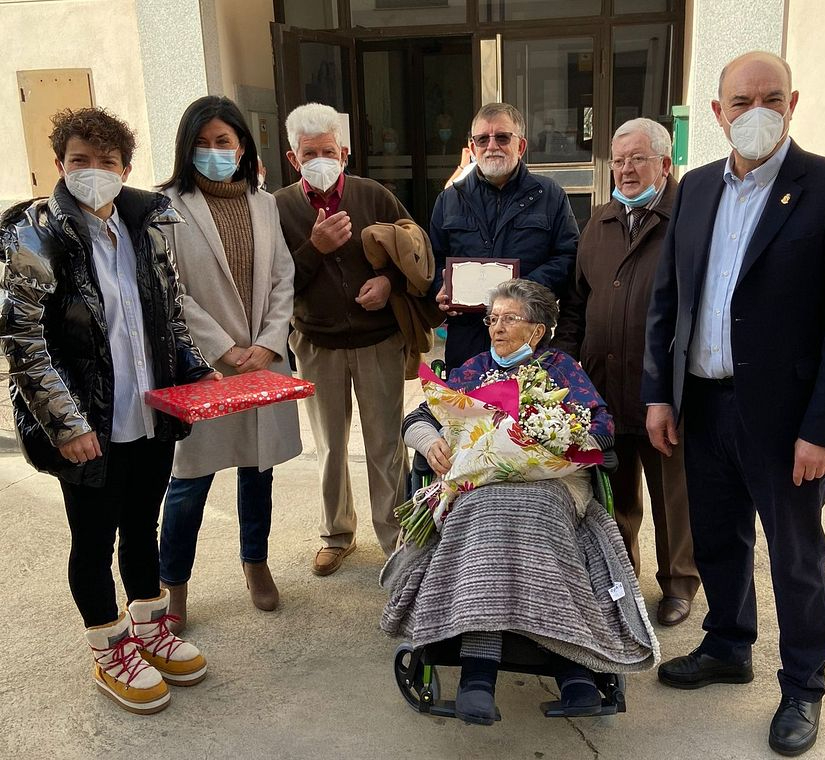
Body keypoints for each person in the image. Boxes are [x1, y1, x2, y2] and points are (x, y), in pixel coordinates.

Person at [642, 52, 825, 756]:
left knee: (796, 557)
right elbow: (669, 300)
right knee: (718, 539)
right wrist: (660, 392)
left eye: (770, 98)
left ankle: (803, 685)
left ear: (793, 102)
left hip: (787, 421)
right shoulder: (694, 192)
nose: (756, 113)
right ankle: (727, 645)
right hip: (705, 406)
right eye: (740, 102)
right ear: (717, 113)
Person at [0, 107, 217, 714]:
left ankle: (147, 627)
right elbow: (22, 338)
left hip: (149, 416)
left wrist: (196, 379)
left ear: (126, 169)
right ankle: (108, 647)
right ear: (59, 166)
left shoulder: (146, 228)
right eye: (79, 162)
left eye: (106, 163)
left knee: (141, 525)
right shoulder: (35, 236)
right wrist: (65, 423)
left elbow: (171, 319)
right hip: (88, 422)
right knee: (92, 539)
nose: (93, 173)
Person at [382, 279, 659, 726]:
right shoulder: (471, 369)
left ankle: (573, 672)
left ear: (537, 330)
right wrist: (430, 441)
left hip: (552, 484)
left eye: (510, 319)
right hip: (481, 484)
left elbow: (602, 423)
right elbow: (418, 415)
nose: (496, 327)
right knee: (479, 513)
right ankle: (479, 674)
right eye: (493, 318)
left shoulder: (562, 368)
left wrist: (563, 438)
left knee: (540, 516)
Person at [156, 96, 300, 630]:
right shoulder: (166, 207)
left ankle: (255, 562)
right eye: (203, 142)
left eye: (224, 141)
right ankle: (174, 584)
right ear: (185, 147)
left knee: (255, 469)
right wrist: (221, 349)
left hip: (262, 360)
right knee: (189, 479)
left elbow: (283, 276)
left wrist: (268, 341)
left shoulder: (264, 204)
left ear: (243, 146)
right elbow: (169, 289)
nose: (215, 152)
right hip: (203, 366)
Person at [554, 118, 699, 627]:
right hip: (601, 382)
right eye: (618, 160)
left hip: (662, 384)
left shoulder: (688, 217)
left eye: (637, 159)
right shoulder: (599, 221)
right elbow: (576, 302)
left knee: (671, 492)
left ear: (665, 163)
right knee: (615, 492)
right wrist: (567, 369)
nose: (626, 170)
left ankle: (679, 583)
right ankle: (622, 577)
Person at [275, 102, 413, 576]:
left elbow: (414, 252)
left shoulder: (374, 195)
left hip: (379, 340)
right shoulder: (279, 208)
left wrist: (389, 284)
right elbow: (274, 286)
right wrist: (314, 249)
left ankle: (396, 537)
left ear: (345, 152)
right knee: (330, 445)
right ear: (293, 158)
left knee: (385, 443)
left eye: (328, 150)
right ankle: (336, 534)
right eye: (309, 152)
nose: (319, 160)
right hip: (317, 342)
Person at [430, 102, 579, 371]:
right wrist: (440, 290)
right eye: (482, 139)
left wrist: (517, 292)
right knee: (466, 411)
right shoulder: (449, 199)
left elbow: (568, 257)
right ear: (472, 147)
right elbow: (435, 259)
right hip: (467, 343)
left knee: (526, 410)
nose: (491, 145)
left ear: (520, 146)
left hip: (527, 339)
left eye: (502, 137)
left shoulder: (549, 196)